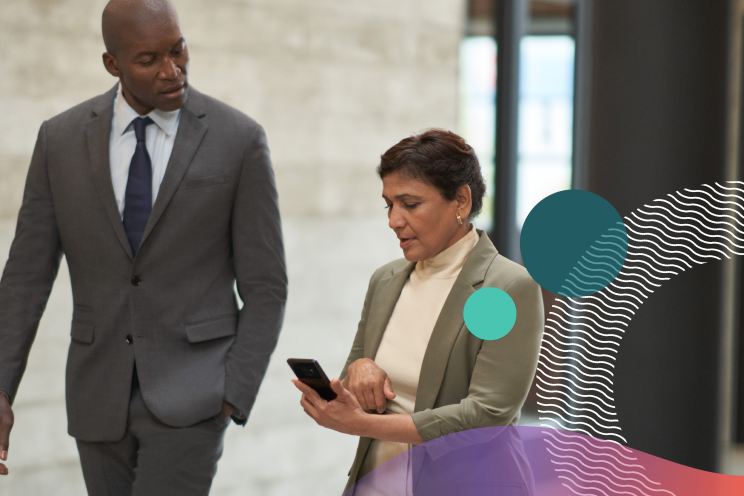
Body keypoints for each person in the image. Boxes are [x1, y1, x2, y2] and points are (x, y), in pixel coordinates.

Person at [0, 0, 287, 494]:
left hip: (195, 396)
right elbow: (25, 277)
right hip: (96, 396)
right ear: (113, 64)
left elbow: (266, 284)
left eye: (178, 51)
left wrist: (233, 393)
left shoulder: (238, 139)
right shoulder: (60, 140)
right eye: (149, 59)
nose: (172, 71)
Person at [292, 129, 544, 492]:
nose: (394, 220)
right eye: (389, 205)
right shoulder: (387, 280)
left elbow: (485, 415)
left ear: (460, 201)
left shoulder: (502, 288)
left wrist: (361, 425)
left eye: (409, 204)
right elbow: (352, 381)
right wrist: (360, 368)